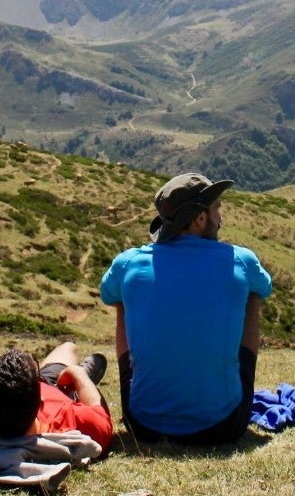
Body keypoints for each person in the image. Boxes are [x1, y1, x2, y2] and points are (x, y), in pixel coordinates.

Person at [100, 172, 273, 443]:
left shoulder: (128, 262)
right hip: (223, 425)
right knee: (250, 294)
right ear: (200, 219)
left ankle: (143, 388)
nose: (220, 216)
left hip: (143, 424)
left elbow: (107, 295)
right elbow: (265, 288)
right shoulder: (240, 259)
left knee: (124, 296)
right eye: (216, 209)